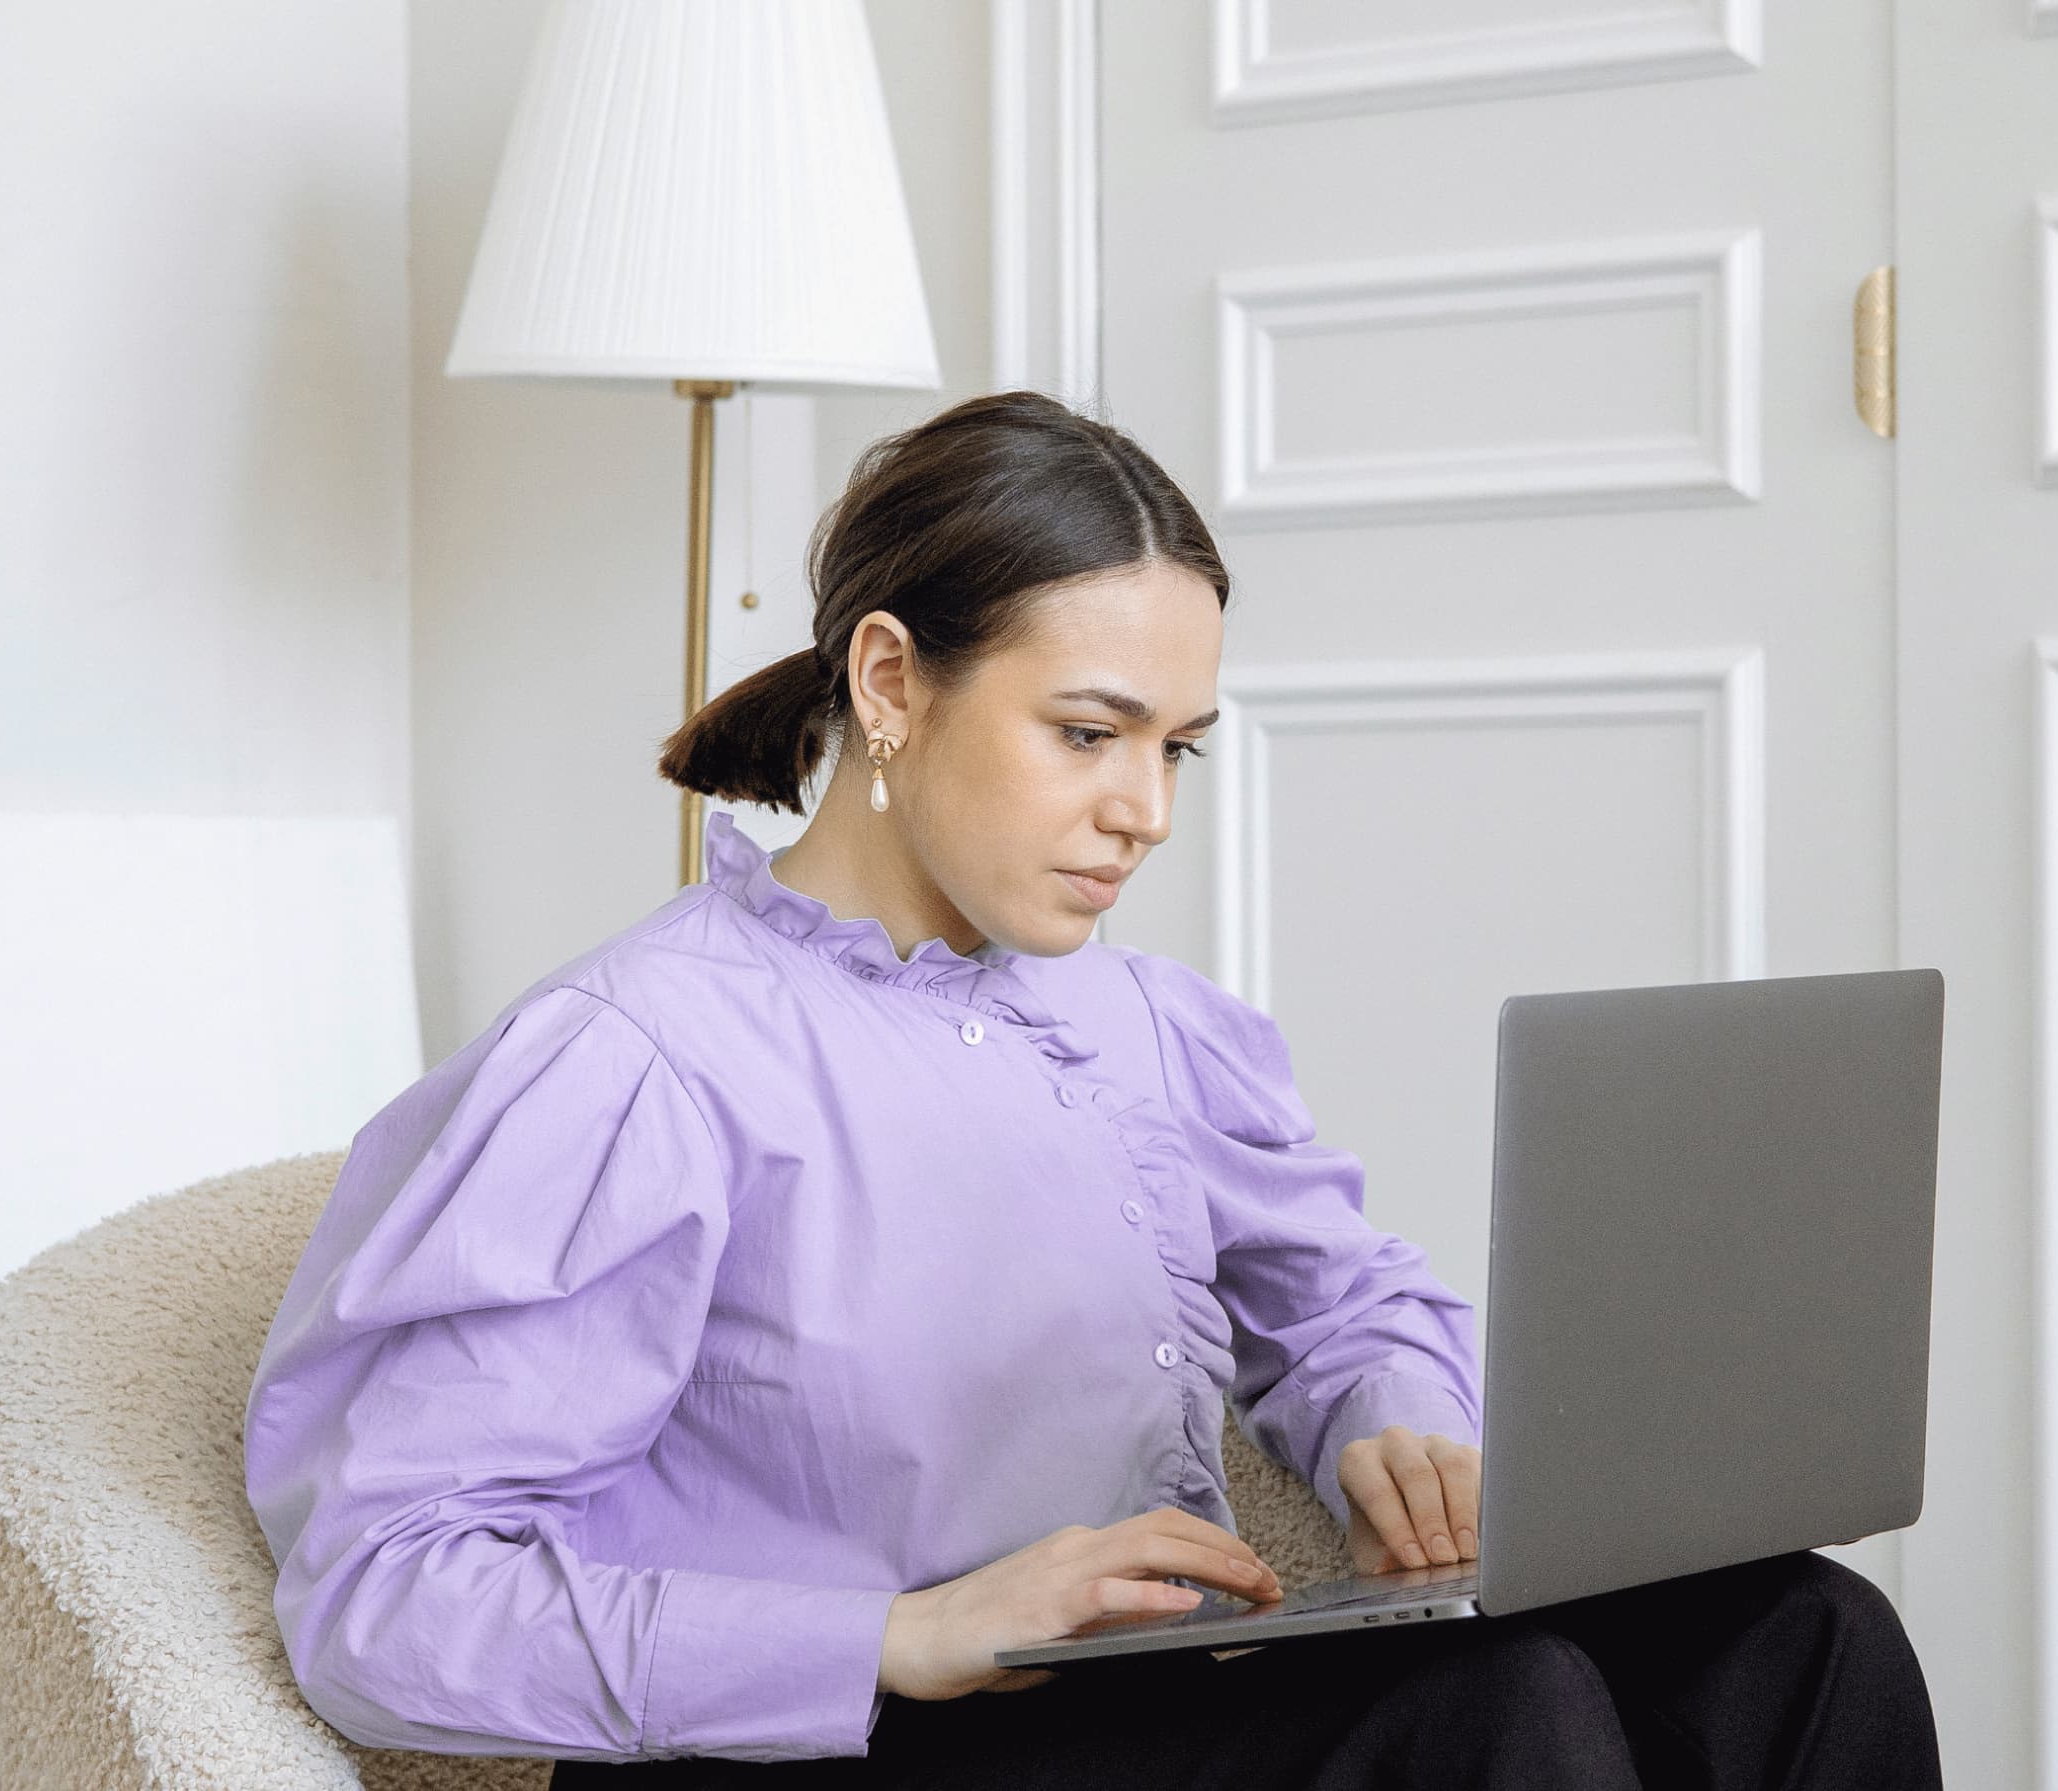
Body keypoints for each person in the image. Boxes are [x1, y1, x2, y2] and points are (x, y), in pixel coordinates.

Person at [242, 390, 1943, 1789]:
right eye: (1089, 733)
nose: (1149, 811)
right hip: (830, 1750)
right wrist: (897, 1635)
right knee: (1495, 1720)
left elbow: (1340, 1297)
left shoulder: (1146, 1023)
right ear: (892, 682)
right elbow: (384, 1600)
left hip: (1139, 1703)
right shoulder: (642, 1062)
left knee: (1799, 1638)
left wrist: (1395, 1424)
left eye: (1176, 746)